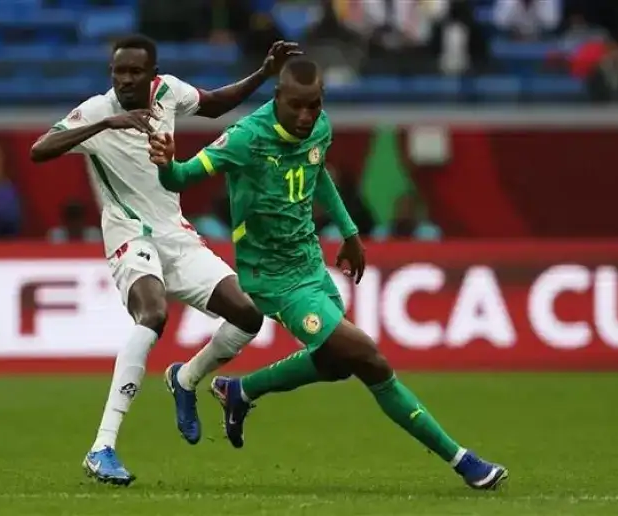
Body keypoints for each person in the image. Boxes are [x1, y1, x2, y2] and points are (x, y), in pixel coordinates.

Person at [148, 56, 508, 491]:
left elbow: (318, 176)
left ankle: (239, 391)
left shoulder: (320, 128)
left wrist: (351, 232)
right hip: (273, 277)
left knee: (338, 364)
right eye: (297, 106)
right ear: (278, 98)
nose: (306, 117)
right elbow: (182, 178)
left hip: (310, 263)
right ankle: (462, 460)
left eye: (314, 106)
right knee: (368, 357)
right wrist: (167, 164)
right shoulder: (245, 138)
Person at [30, 35, 301, 486]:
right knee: (152, 314)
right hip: (128, 233)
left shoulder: (169, 92)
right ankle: (102, 447)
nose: (126, 79)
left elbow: (214, 105)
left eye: (135, 72)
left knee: (249, 315)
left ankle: (187, 378)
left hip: (174, 233)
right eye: (119, 72)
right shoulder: (97, 110)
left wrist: (263, 74)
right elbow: (39, 150)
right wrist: (107, 124)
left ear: (151, 73)